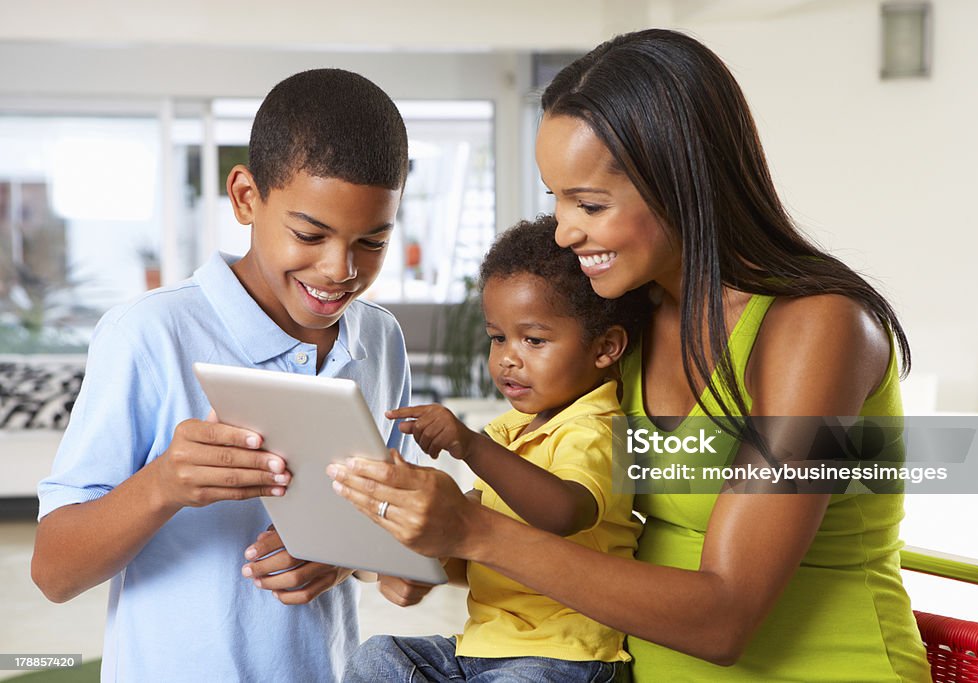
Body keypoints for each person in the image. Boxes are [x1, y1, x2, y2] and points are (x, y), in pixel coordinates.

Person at [329, 29, 932, 682]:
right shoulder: (627, 324)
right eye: (555, 198)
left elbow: (725, 615)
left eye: (589, 203)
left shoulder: (818, 328)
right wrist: (420, 547)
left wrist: (473, 530)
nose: (565, 230)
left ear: (682, 183)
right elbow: (573, 517)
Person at [32, 68, 414, 682]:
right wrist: (162, 485)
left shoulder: (380, 340)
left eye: (372, 241)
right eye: (309, 234)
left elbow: (388, 532)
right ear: (244, 197)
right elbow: (53, 573)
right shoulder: (151, 333)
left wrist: (343, 556)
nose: (339, 269)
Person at [341, 215, 650, 682]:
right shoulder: (511, 431)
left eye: (534, 340)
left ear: (605, 348)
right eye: (498, 337)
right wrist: (419, 555)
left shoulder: (597, 427)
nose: (508, 357)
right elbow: (475, 530)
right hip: (480, 648)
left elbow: (567, 512)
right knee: (376, 657)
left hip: (565, 657)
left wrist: (470, 446)